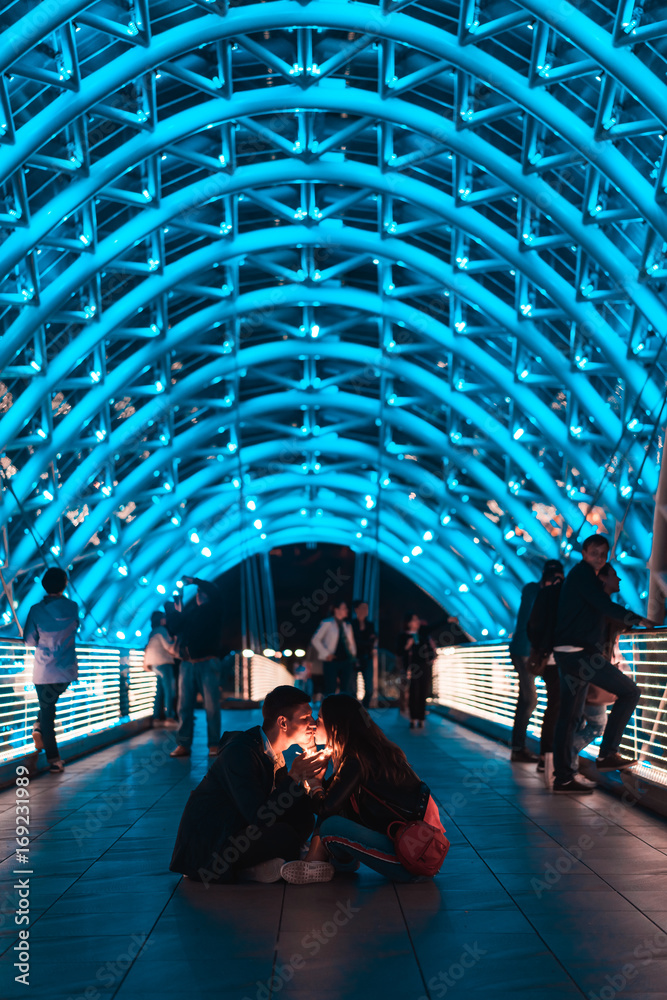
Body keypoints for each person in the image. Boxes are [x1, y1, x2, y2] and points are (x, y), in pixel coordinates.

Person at [280, 694, 447, 885]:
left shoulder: (356, 761)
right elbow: (332, 799)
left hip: (411, 860)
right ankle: (322, 860)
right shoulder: (365, 753)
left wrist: (316, 783)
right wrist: (317, 781)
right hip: (409, 849)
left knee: (331, 826)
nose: (315, 726)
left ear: (336, 726)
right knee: (337, 810)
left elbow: (325, 808)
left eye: (320, 720)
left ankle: (315, 861)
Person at [169, 686, 326, 883]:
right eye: (305, 719)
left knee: (303, 817)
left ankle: (263, 865)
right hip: (208, 848)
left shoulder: (272, 752)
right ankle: (249, 870)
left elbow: (284, 804)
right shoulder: (241, 753)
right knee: (284, 835)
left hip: (237, 830)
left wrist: (311, 780)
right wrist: (294, 776)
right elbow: (260, 816)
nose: (313, 724)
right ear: (283, 723)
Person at [552, 535, 655, 794]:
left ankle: (563, 778)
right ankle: (607, 753)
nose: (598, 557)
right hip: (579, 655)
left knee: (569, 716)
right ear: (584, 552)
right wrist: (638, 619)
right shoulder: (584, 574)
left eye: (603, 553)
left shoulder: (579, 576)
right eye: (594, 552)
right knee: (630, 691)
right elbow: (602, 605)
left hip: (568, 652)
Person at [23, 567, 79, 774]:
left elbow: (29, 641)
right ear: (65, 585)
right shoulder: (73, 607)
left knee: (47, 712)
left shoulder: (36, 610)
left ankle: (54, 759)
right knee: (48, 707)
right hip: (66, 671)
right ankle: (39, 726)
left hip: (44, 670)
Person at [571, 562, 625, 765]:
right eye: (614, 575)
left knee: (581, 722)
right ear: (603, 578)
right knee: (597, 725)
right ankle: (562, 760)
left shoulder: (592, 604)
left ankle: (566, 769)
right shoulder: (601, 606)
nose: (619, 579)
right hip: (595, 671)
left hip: (586, 669)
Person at [508, 562, 562, 762]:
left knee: (525, 699)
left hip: (527, 650)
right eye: (555, 579)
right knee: (530, 700)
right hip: (524, 651)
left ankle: (518, 747)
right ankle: (519, 748)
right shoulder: (533, 590)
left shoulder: (536, 591)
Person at [166, 576, 224, 758]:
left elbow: (215, 591)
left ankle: (214, 744)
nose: (197, 594)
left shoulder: (214, 609)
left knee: (211, 706)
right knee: (184, 706)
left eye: (199, 591)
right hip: (187, 663)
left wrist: (194, 580)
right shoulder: (191, 612)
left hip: (207, 661)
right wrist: (175, 604)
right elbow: (175, 627)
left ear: (205, 593)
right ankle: (183, 744)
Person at [526, 562, 564, 777]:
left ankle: (546, 757)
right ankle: (549, 757)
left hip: (550, 659)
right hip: (555, 660)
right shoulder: (551, 596)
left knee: (555, 708)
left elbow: (531, 627)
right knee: (557, 708)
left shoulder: (543, 596)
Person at [396, 613, 436, 728]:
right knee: (413, 692)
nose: (417, 622)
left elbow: (430, 646)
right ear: (408, 623)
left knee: (423, 692)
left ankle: (421, 718)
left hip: (425, 666)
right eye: (414, 620)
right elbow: (399, 652)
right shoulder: (403, 636)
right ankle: (413, 718)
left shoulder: (423, 634)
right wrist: (407, 646)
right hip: (412, 667)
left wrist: (448, 620)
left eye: (417, 620)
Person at [311, 600, 357, 697]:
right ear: (336, 610)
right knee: (330, 688)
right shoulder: (327, 623)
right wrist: (326, 654)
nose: (347, 610)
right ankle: (329, 710)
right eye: (344, 608)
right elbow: (315, 639)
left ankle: (345, 709)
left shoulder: (347, 625)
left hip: (346, 660)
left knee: (346, 688)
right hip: (331, 660)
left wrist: (353, 655)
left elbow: (351, 643)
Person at [142, 611, 178, 726]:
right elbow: (168, 647)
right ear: (160, 619)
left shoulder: (152, 632)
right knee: (168, 690)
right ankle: (169, 718)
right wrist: (175, 641)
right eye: (163, 617)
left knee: (159, 691)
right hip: (163, 662)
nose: (165, 619)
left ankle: (156, 717)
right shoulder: (162, 630)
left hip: (154, 664)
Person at [351, 599, 377, 708]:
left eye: (366, 608)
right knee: (352, 687)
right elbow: (352, 641)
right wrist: (367, 642)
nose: (365, 610)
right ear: (356, 609)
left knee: (369, 688)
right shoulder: (351, 624)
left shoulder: (370, 624)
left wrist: (364, 643)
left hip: (367, 657)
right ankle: (353, 709)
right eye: (362, 607)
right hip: (353, 658)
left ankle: (364, 709)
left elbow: (373, 639)